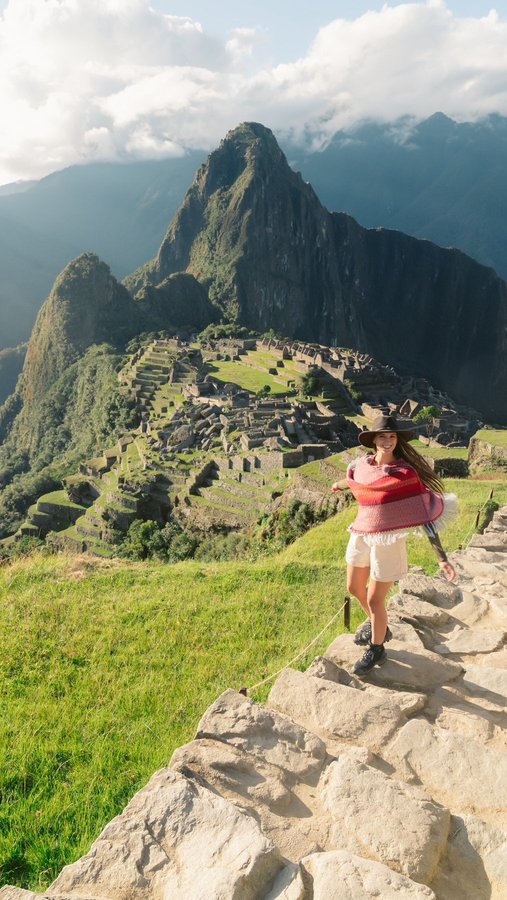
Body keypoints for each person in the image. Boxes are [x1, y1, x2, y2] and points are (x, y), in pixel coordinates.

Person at [331, 414, 458, 677]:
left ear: (397, 440)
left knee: (375, 599)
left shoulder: (405, 474)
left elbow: (424, 515)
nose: (387, 441)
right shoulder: (362, 465)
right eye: (382, 436)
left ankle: (377, 648)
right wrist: (339, 485)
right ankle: (381, 626)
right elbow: (356, 481)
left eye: (391, 436)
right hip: (361, 532)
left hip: (388, 540)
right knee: (354, 587)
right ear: (373, 441)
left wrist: (442, 557)